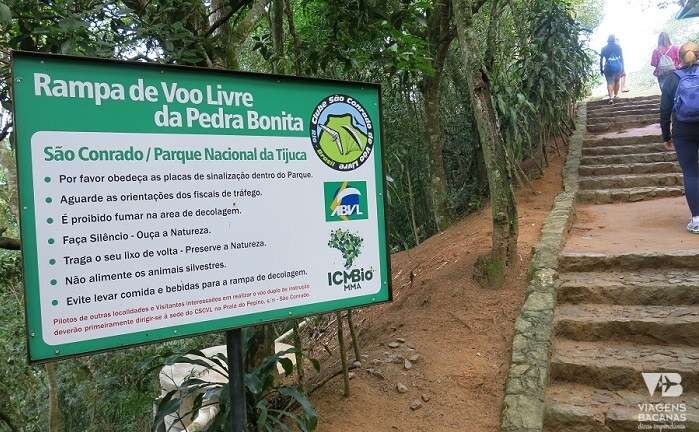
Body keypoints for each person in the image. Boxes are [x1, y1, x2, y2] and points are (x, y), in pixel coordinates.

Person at [660, 42, 699, 234]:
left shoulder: (672, 79)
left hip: (683, 131)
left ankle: (697, 220)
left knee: (691, 173)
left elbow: (665, 109)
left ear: (679, 58)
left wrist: (666, 135)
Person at [600, 35, 625, 104]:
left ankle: (610, 97)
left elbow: (601, 59)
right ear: (614, 40)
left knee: (609, 82)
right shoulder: (618, 47)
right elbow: (622, 58)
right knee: (617, 81)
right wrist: (623, 68)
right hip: (617, 66)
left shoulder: (604, 48)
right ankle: (615, 95)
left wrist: (601, 69)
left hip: (608, 67)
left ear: (607, 40)